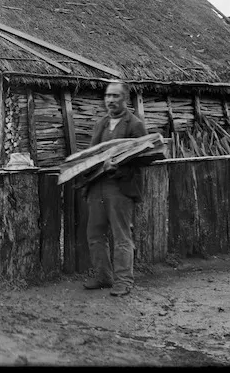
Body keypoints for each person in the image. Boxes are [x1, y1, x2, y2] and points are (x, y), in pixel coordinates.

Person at [83, 81, 147, 297]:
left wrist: (118, 165)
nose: (110, 100)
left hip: (120, 187)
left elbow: (143, 160)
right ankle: (103, 276)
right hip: (97, 185)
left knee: (121, 236)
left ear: (125, 99)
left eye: (115, 96)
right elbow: (93, 153)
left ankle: (124, 282)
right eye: (108, 96)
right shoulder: (101, 123)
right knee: (94, 233)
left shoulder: (135, 125)